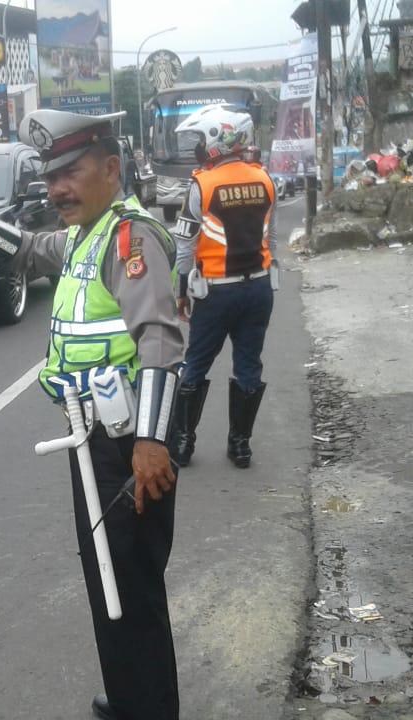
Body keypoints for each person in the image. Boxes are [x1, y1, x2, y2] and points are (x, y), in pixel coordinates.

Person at [0, 109, 190, 720]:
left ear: (111, 170)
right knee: (107, 584)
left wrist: (150, 440)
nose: (58, 187)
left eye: (71, 171)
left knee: (132, 589)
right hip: (94, 440)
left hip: (128, 444)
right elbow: (32, 252)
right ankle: (131, 701)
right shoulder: (88, 236)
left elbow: (160, 338)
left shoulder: (129, 239)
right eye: (51, 176)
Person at [169, 105, 276, 469]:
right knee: (249, 366)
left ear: (218, 138)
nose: (197, 149)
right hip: (259, 289)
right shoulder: (264, 178)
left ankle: (183, 444)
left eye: (200, 140)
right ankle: (241, 446)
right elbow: (268, 233)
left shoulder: (202, 184)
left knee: (196, 363)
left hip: (216, 292)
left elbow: (185, 246)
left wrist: (181, 291)